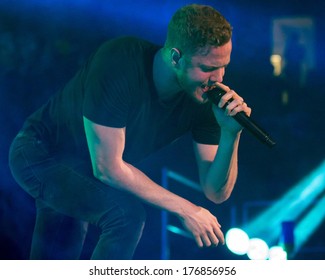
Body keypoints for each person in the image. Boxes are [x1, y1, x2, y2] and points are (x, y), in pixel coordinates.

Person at [9, 4, 251, 260]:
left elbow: (216, 192)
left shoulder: (203, 97)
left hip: (84, 171)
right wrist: (186, 209)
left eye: (224, 66)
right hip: (40, 153)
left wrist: (230, 133)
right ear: (175, 58)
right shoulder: (120, 60)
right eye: (207, 68)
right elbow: (107, 168)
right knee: (125, 215)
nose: (219, 78)